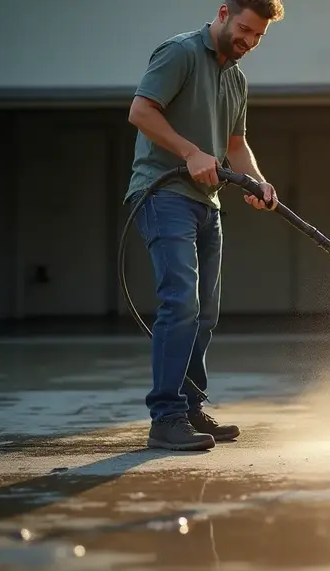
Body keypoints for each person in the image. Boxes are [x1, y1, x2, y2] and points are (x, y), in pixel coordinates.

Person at [124, 0, 284, 451]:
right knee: (181, 302)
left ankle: (190, 407)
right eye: (246, 29)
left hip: (207, 203)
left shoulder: (236, 78)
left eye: (258, 37)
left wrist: (257, 181)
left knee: (206, 312)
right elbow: (140, 111)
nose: (249, 41)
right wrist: (190, 151)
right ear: (223, 13)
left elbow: (236, 145)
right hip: (161, 192)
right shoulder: (179, 53)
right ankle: (167, 418)